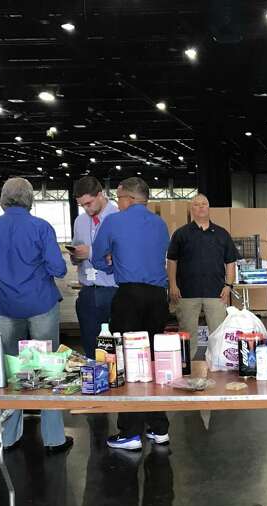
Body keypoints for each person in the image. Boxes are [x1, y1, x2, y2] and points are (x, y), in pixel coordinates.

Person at [0, 177, 73, 455]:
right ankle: (54, 438)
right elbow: (58, 268)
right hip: (40, 304)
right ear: (30, 199)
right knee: (48, 369)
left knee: (9, 371)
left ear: (3, 199)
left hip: (4, 307)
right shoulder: (41, 227)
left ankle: (8, 436)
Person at [91, 177, 171, 451]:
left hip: (130, 297)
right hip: (158, 297)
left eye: (119, 198)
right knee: (152, 361)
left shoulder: (114, 221)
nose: (118, 203)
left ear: (128, 198)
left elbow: (96, 256)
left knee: (127, 362)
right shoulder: (160, 224)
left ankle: (130, 432)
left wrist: (112, 267)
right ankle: (158, 428)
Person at [167, 193, 240, 356]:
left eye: (204, 204)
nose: (200, 207)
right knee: (187, 334)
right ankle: (188, 370)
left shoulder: (222, 234)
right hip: (187, 293)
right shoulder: (181, 234)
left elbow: (230, 262)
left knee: (218, 334)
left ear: (209, 207)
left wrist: (228, 285)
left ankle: (218, 366)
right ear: (191, 209)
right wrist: (172, 284)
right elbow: (171, 261)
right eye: (196, 204)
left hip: (216, 293)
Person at [68, 176, 118, 358]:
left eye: (89, 203)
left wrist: (90, 253)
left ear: (100, 194)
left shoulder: (118, 217)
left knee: (115, 348)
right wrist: (75, 256)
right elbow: (76, 246)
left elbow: (119, 255)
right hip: (88, 292)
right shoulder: (80, 221)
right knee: (91, 347)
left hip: (114, 290)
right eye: (82, 205)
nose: (86, 208)